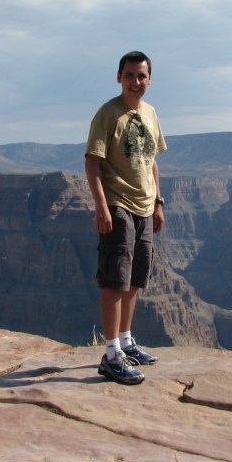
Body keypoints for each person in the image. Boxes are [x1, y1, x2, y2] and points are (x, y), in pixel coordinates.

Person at [84, 50, 167, 385]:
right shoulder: (108, 114)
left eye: (142, 76)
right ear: (119, 77)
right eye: (130, 75)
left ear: (149, 79)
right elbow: (93, 161)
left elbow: (152, 161)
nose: (136, 82)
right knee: (115, 280)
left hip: (145, 206)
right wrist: (102, 207)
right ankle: (111, 354)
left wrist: (159, 203)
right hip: (118, 206)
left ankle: (127, 341)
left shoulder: (150, 113)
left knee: (135, 278)